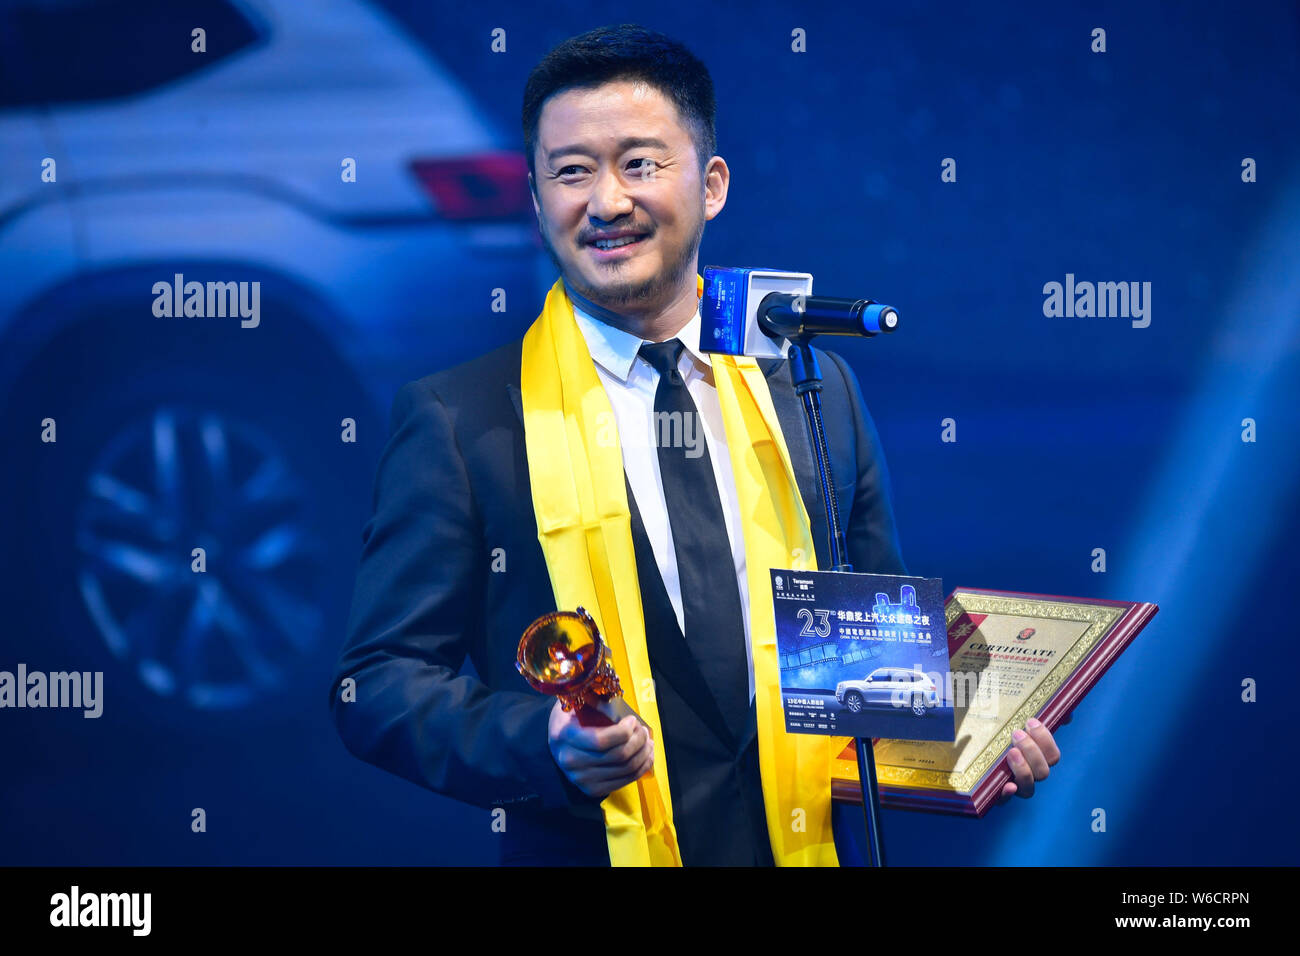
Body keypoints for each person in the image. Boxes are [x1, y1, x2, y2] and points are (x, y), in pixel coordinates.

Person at [329, 23, 1061, 866]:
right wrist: (543, 739)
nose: (606, 202)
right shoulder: (460, 420)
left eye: (640, 163)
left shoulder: (809, 387)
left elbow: (873, 644)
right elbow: (375, 686)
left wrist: (975, 736)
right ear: (536, 202)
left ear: (711, 184)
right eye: (571, 172)